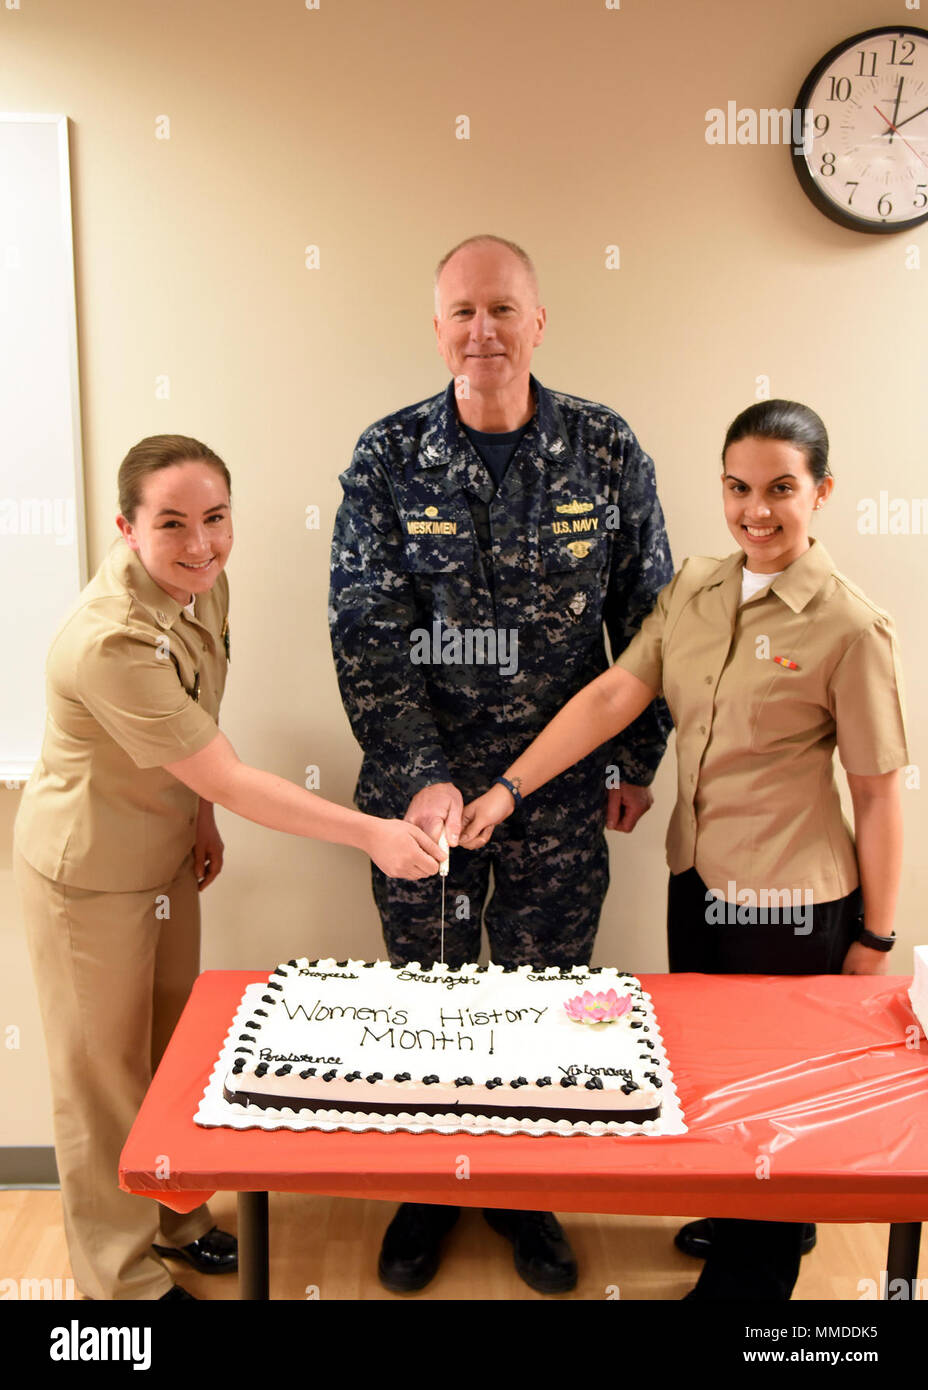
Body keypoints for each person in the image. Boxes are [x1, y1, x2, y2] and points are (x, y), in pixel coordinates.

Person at [460, 399, 907, 1301]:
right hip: (697, 880)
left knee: (775, 1098)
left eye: (783, 489)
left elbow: (879, 791)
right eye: (739, 488)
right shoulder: (696, 589)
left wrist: (876, 941)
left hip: (791, 904)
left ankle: (753, 1281)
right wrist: (509, 789)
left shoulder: (850, 628)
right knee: (710, 1080)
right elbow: (612, 697)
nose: (758, 511)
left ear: (821, 493)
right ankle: (752, 1215)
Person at [13, 435, 443, 1302]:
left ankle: (177, 1221)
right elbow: (231, 773)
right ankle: (122, 1281)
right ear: (127, 528)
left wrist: (199, 818)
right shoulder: (110, 642)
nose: (201, 542)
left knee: (170, 1057)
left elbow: (199, 726)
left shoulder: (201, 587)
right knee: (103, 1081)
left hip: (165, 851)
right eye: (172, 523)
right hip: (88, 877)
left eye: (215, 518)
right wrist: (370, 834)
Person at [329, 235, 673, 1294]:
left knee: (543, 1001)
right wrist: (424, 769)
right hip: (420, 801)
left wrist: (634, 756)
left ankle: (524, 1188)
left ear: (537, 323)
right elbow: (367, 629)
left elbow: (649, 622)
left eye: (502, 309)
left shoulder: (606, 449)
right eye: (462, 311)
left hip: (560, 794)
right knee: (429, 1003)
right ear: (437, 330)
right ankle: (430, 1187)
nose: (483, 330)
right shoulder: (387, 457)